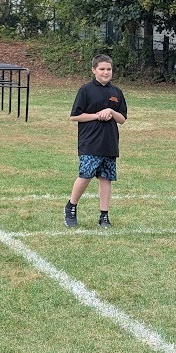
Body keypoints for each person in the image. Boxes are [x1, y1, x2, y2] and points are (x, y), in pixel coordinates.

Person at [64, 55, 128, 228]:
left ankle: (104, 216)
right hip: (90, 142)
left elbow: (122, 119)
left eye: (108, 69)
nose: (106, 72)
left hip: (109, 143)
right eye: (102, 69)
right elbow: (74, 116)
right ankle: (71, 206)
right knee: (85, 175)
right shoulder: (86, 90)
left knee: (105, 178)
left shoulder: (117, 92)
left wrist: (111, 112)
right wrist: (97, 115)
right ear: (94, 70)